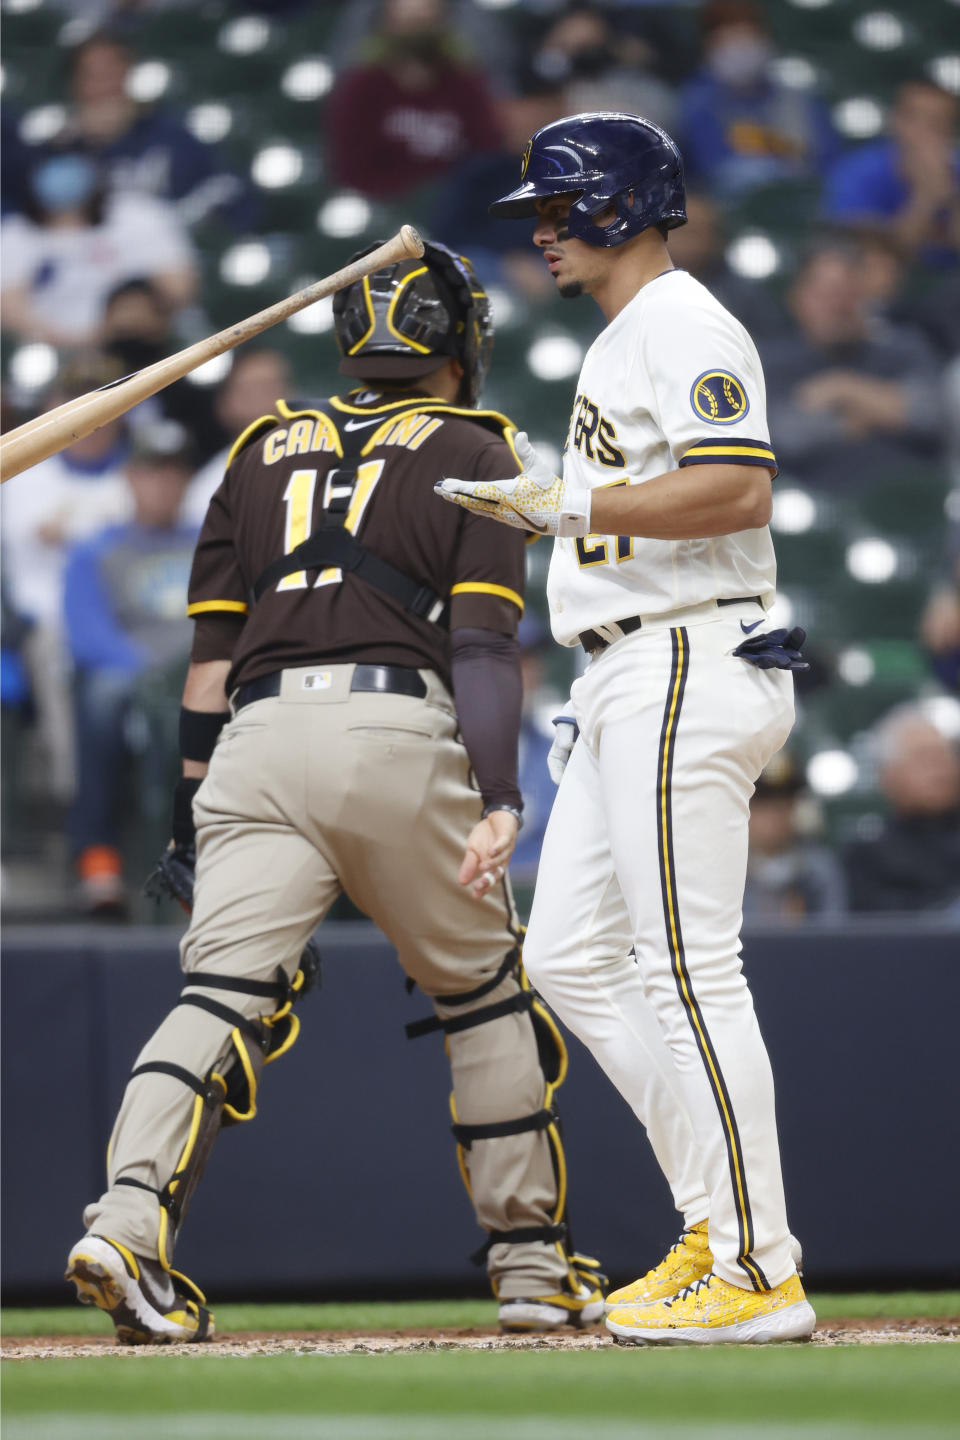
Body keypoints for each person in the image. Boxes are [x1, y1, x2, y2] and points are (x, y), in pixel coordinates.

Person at [65, 242, 603, 1343]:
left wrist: (186, 814)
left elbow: (208, 666)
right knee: (484, 992)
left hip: (256, 740)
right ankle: (531, 1265)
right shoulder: (480, 447)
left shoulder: (260, 449)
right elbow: (486, 648)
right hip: (394, 728)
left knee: (218, 997)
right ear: (455, 345)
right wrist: (499, 793)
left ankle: (123, 1224)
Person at [436, 111, 814, 1345]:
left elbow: (742, 483)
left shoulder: (683, 322)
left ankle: (760, 1265)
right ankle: (717, 1222)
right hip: (627, 670)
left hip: (687, 651)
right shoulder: (623, 338)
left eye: (557, 208)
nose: (541, 232)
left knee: (692, 970)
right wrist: (568, 503)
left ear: (620, 204)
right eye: (537, 214)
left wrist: (569, 500)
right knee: (571, 957)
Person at [63, 436, 199, 917]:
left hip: (202, 670)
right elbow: (86, 632)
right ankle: (99, 860)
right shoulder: (99, 548)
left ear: (186, 481)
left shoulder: (210, 540)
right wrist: (149, 672)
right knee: (99, 697)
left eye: (172, 472)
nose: (162, 484)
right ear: (130, 479)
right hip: (130, 671)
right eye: (150, 472)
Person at [0, 354, 132, 802]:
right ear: (53, 411)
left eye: (99, 406)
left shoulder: (141, 471)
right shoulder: (24, 472)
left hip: (129, 619)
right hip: (47, 622)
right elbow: (42, 536)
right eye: (75, 405)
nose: (90, 421)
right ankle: (76, 799)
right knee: (59, 658)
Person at [760, 238, 944, 496]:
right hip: (812, 504)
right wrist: (879, 409)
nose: (837, 306)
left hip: (914, 496)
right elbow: (781, 437)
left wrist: (842, 387)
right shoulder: (770, 362)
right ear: (797, 299)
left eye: (848, 294)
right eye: (825, 294)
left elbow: (933, 417)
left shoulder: (904, 348)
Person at [0, 149, 197, 348]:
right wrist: (76, 342)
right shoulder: (12, 236)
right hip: (61, 357)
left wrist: (127, 326)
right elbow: (8, 307)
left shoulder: (136, 213)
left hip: (149, 342)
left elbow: (178, 286)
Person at [324, 0, 504, 201]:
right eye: (408, 16)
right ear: (385, 22)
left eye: (426, 13)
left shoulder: (467, 84)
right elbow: (349, 168)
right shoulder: (360, 87)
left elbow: (486, 153)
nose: (418, 22)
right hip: (378, 209)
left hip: (455, 207)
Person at [677, 0, 837, 197]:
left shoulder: (799, 100)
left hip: (800, 203)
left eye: (748, 39)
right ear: (710, 46)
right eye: (730, 41)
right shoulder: (695, 103)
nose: (741, 50)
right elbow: (707, 170)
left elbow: (827, 161)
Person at [824, 78, 960, 269]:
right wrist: (926, 199)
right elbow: (874, 261)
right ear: (895, 120)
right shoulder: (858, 171)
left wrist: (951, 195)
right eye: (914, 117)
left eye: (936, 123)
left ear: (950, 133)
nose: (923, 131)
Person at [844, 705, 960, 914]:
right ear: (887, 775)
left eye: (944, 755)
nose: (940, 768)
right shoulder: (869, 857)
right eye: (924, 758)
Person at [743, 750, 848, 920]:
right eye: (762, 803)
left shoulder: (819, 870)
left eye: (784, 803)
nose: (774, 815)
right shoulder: (722, 869)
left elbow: (833, 937)